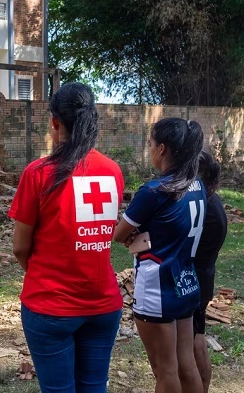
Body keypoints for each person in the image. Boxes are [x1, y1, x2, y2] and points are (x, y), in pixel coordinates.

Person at [9, 82, 124, 393]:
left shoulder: (38, 173)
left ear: (54, 123)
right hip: (103, 305)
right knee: (94, 386)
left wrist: (41, 274)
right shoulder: (113, 171)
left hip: (50, 307)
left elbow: (20, 246)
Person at [113, 118, 206, 393]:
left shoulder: (154, 191)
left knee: (164, 371)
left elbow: (119, 234)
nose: (149, 147)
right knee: (186, 365)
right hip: (186, 282)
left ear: (162, 148)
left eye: (150, 143)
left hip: (157, 288)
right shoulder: (196, 185)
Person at [193, 151, 228, 393]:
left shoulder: (205, 206)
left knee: (193, 344)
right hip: (202, 279)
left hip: (194, 283)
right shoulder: (209, 200)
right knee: (196, 339)